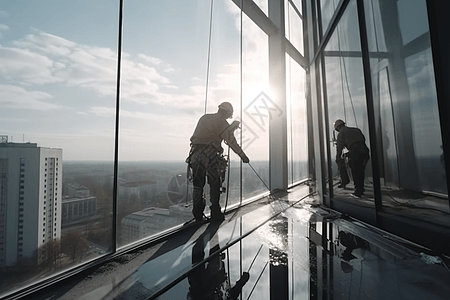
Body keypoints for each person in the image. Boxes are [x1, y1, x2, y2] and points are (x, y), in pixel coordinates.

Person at [187, 102, 249, 222]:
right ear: (227, 113)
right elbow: (231, 142)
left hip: (196, 155)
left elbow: (211, 133)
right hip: (211, 156)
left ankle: (197, 214)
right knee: (215, 183)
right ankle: (215, 213)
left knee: (198, 185)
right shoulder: (222, 123)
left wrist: (228, 129)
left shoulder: (204, 118)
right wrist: (243, 156)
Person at [334, 119, 370, 197]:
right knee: (360, 170)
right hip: (365, 151)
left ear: (337, 128)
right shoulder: (356, 130)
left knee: (356, 171)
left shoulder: (341, 133)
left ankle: (358, 191)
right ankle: (361, 187)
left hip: (356, 152)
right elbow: (361, 141)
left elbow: (339, 148)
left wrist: (338, 157)